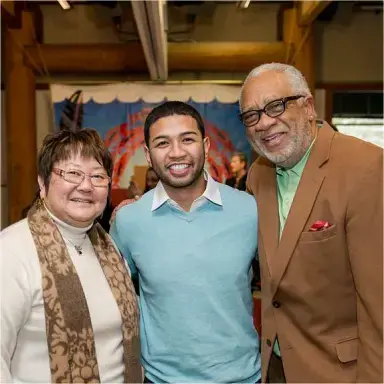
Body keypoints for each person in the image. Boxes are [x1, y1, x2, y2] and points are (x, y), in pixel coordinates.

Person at [239, 62, 383, 383]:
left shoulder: (366, 167)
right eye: (252, 115)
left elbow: (379, 304)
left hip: (340, 371)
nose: (264, 123)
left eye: (275, 106)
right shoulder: (258, 175)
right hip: (274, 366)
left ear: (308, 106)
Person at [110, 101, 261, 383]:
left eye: (187, 139)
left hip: (244, 377)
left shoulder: (249, 210)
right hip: (160, 379)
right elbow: (108, 298)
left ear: (205, 146)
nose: (177, 152)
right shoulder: (130, 220)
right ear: (148, 154)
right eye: (163, 143)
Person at [0, 129, 142, 383]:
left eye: (98, 176)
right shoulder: (12, 251)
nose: (86, 186)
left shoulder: (107, 245)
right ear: (42, 184)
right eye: (73, 173)